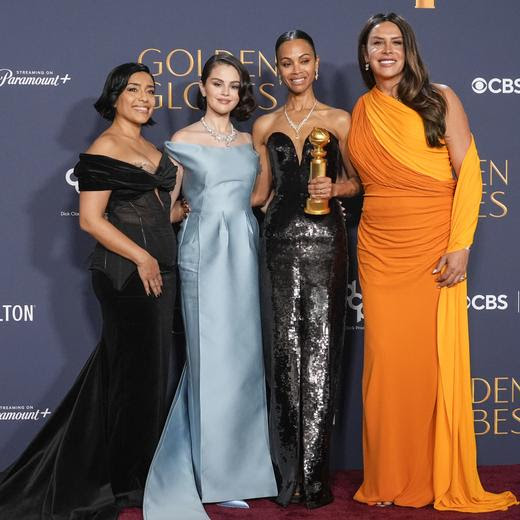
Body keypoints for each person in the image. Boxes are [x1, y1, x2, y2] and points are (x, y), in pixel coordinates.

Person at [347, 13, 518, 512]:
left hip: (432, 245)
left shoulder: (441, 99)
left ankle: (425, 477)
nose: (386, 50)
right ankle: (386, 478)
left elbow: (470, 174)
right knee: (384, 366)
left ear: (409, 50)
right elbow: (367, 180)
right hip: (378, 248)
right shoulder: (361, 109)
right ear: (364, 55)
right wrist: (336, 186)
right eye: (376, 43)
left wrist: (461, 242)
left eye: (395, 42)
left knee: (426, 366)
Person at [0, 62, 183, 519]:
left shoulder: (148, 146)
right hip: (125, 275)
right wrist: (142, 257)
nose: (145, 97)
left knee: (140, 377)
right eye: (134, 90)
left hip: (161, 269)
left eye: (151, 90)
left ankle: (122, 472)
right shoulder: (104, 147)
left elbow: (161, 213)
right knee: (135, 381)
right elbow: (90, 220)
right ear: (115, 97)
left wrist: (179, 206)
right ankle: (124, 484)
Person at [143, 54, 277, 520]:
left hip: (245, 250)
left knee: (243, 360)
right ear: (201, 87)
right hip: (203, 253)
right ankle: (212, 476)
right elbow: (168, 207)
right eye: (217, 84)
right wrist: (192, 216)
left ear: (242, 93)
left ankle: (244, 471)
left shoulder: (249, 141)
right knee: (210, 358)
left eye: (234, 86)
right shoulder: (182, 141)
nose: (225, 92)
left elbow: (259, 198)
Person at [252, 30, 360, 509]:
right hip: (276, 239)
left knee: (321, 351)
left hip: (326, 242)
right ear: (278, 69)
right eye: (286, 63)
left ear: (316, 65)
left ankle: (314, 479)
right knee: (282, 352)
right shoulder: (264, 124)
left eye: (304, 61)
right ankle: (287, 475)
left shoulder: (340, 120)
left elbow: (358, 182)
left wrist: (335, 191)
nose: (296, 70)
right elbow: (259, 194)